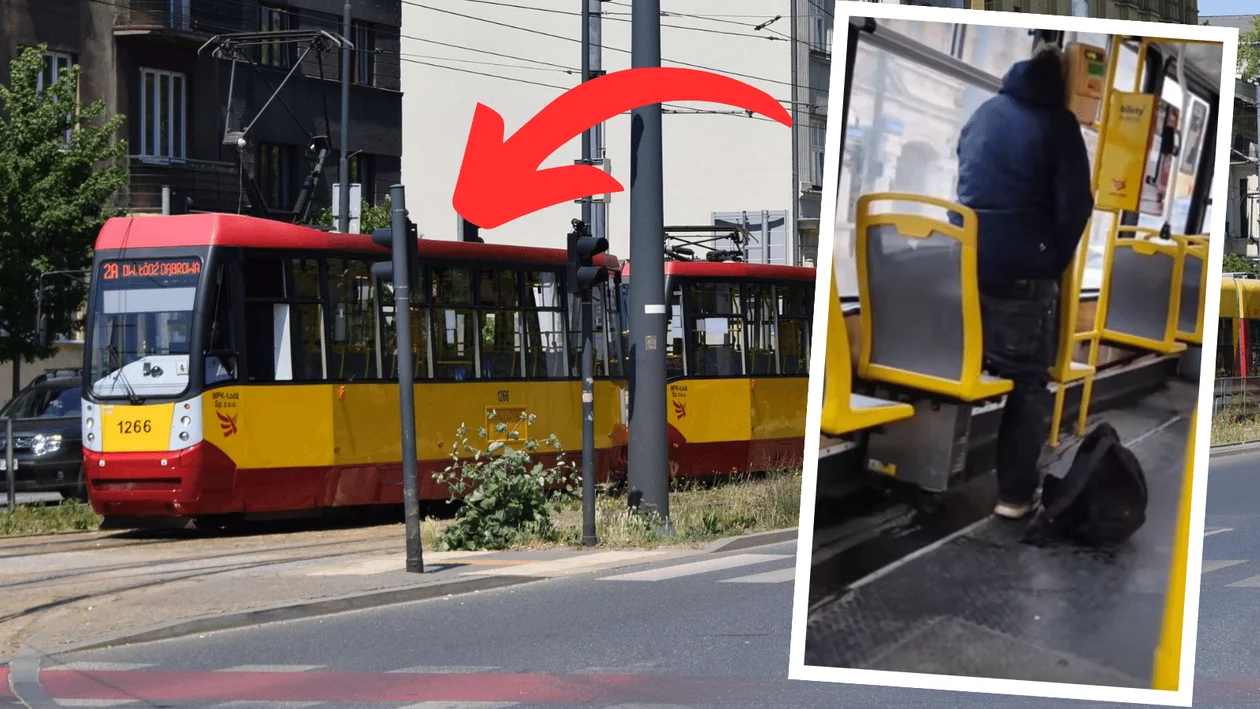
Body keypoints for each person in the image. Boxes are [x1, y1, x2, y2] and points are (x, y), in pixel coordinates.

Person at [953, 40, 1094, 520]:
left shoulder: (986, 112)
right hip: (1022, 271)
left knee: (970, 363)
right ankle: (1014, 497)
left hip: (965, 263)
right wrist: (1050, 258)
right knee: (1029, 383)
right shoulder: (1058, 124)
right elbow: (1077, 204)